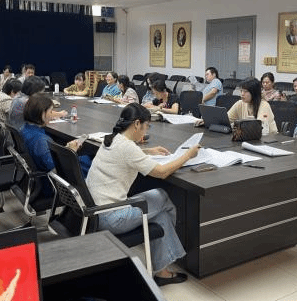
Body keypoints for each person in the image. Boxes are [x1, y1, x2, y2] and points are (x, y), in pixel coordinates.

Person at [86, 103, 200, 286]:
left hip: (95, 212)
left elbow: (125, 154)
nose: (146, 131)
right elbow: (162, 172)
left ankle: (162, 272)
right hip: (111, 217)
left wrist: (148, 151)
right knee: (161, 196)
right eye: (147, 126)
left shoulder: (111, 139)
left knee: (160, 214)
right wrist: (188, 155)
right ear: (137, 124)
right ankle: (175, 250)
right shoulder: (128, 148)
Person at [21, 93, 92, 199]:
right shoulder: (41, 141)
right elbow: (57, 169)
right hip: (53, 185)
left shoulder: (25, 129)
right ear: (42, 114)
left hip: (38, 179)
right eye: (51, 112)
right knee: (89, 159)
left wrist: (65, 149)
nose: (52, 115)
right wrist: (70, 151)